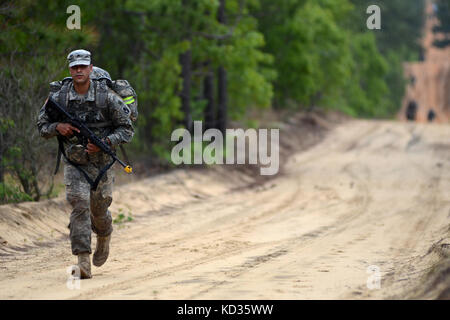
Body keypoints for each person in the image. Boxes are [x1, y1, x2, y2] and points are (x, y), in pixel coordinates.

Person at [37, 49, 134, 279]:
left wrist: (106, 142)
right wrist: (57, 128)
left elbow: (127, 129)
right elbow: (41, 125)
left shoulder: (106, 97)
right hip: (75, 163)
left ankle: (104, 234)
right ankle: (82, 260)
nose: (79, 70)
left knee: (99, 209)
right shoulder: (59, 98)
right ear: (70, 70)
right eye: (74, 67)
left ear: (90, 68)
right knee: (79, 205)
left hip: (102, 164)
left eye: (83, 66)